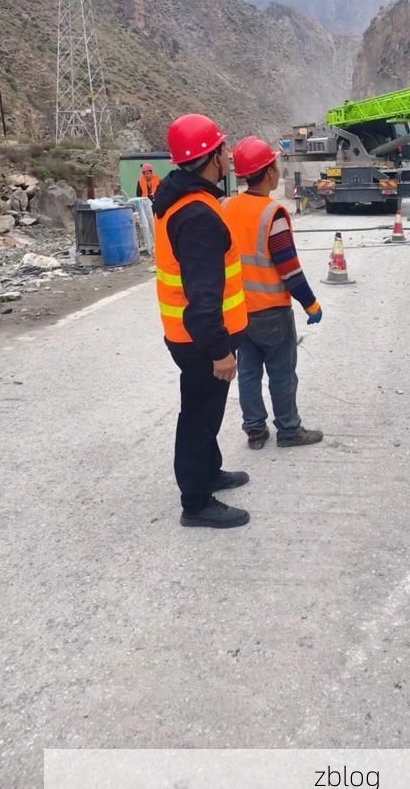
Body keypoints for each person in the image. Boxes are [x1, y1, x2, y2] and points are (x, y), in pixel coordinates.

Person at [153, 114, 250, 529]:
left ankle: (209, 472)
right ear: (212, 157)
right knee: (198, 417)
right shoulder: (197, 216)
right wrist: (219, 350)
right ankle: (195, 502)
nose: (228, 156)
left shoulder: (182, 199)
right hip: (201, 340)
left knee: (206, 412)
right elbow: (203, 297)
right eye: (223, 149)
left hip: (189, 336)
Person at [221, 136, 323, 450]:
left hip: (238, 311)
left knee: (248, 373)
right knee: (281, 374)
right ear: (268, 172)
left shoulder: (226, 207)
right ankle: (289, 430)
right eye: (275, 165)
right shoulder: (271, 214)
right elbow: (289, 269)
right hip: (271, 312)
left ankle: (255, 430)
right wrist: (310, 304)